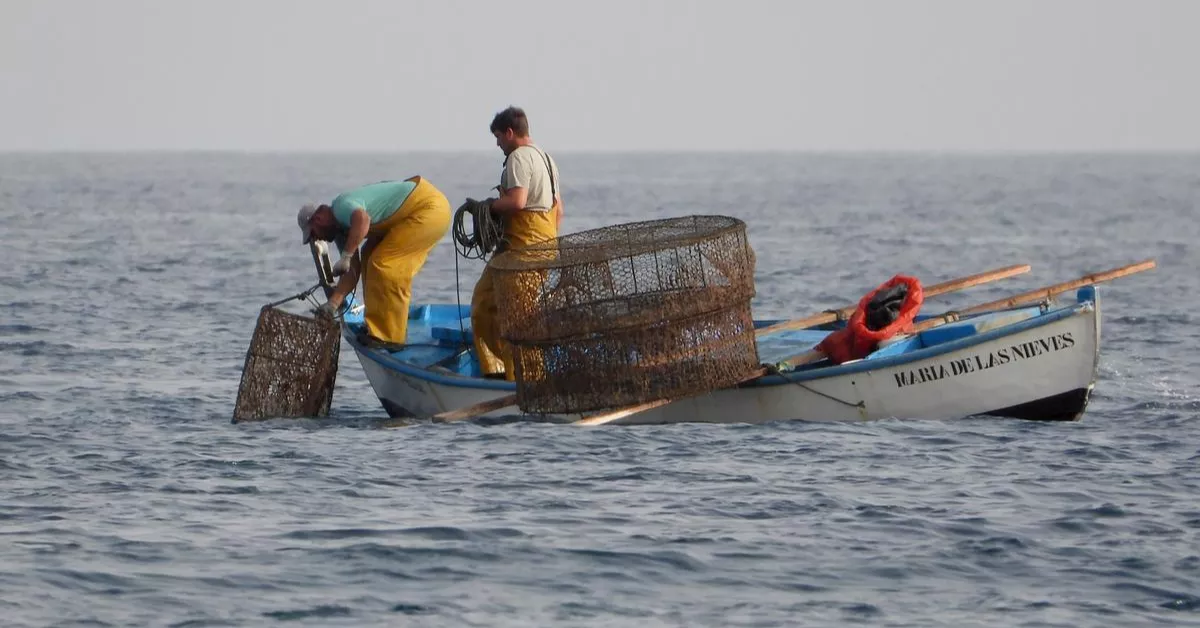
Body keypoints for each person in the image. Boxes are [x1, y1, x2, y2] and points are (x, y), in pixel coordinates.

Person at [298, 175, 451, 349]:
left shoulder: (341, 206)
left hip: (428, 208)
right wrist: (332, 304)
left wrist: (346, 256)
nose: (318, 238)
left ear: (318, 219)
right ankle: (377, 328)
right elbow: (352, 272)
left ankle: (389, 337)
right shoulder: (343, 232)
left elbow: (363, 220)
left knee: (384, 264)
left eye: (313, 234)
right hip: (417, 211)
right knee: (369, 255)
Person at [471, 106, 563, 379]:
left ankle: (522, 378)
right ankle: (506, 371)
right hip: (544, 247)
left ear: (510, 133)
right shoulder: (546, 159)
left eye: (499, 137)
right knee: (491, 303)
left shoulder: (518, 158)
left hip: (521, 252)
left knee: (513, 316)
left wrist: (487, 207)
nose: (498, 144)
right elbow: (559, 210)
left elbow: (518, 202)